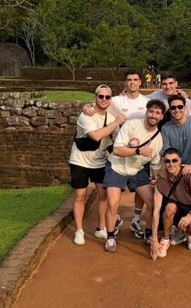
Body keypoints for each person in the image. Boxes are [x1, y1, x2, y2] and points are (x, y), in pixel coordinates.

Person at [82, 70, 149, 238]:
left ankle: (136, 219)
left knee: (141, 188)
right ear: (125, 83)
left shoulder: (146, 102)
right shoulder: (117, 100)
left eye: (135, 79)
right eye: (129, 80)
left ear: (140, 82)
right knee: (114, 193)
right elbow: (99, 102)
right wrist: (85, 107)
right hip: (120, 150)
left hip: (140, 151)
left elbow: (164, 105)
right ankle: (115, 217)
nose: (132, 82)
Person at [103, 99, 166, 252]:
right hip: (116, 167)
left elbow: (156, 166)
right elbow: (116, 150)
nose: (153, 115)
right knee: (113, 204)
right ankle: (110, 236)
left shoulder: (158, 139)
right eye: (151, 111)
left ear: (161, 117)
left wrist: (155, 179)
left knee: (152, 202)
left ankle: (149, 233)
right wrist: (138, 151)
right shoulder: (132, 125)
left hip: (136, 170)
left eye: (157, 113)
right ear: (147, 112)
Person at [70, 85, 127, 246]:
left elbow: (118, 138)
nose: (104, 99)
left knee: (103, 195)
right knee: (80, 195)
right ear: (95, 97)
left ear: (110, 99)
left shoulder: (111, 117)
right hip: (80, 160)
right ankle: (79, 230)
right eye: (100, 96)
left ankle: (101, 228)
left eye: (107, 97)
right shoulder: (86, 115)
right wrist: (116, 122)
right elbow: (96, 136)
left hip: (99, 161)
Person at [160, 94, 191, 248]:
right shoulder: (166, 128)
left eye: (180, 107)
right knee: (175, 199)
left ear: (185, 108)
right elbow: (166, 152)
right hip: (176, 170)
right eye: (173, 108)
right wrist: (164, 169)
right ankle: (178, 228)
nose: (177, 110)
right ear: (170, 110)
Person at [151, 148, 191, 260]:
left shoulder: (190, 176)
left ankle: (189, 234)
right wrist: (154, 239)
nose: (171, 164)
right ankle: (166, 239)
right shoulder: (160, 181)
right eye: (167, 161)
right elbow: (156, 211)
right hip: (175, 207)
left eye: (174, 160)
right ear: (163, 162)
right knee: (170, 207)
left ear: (180, 161)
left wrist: (189, 215)